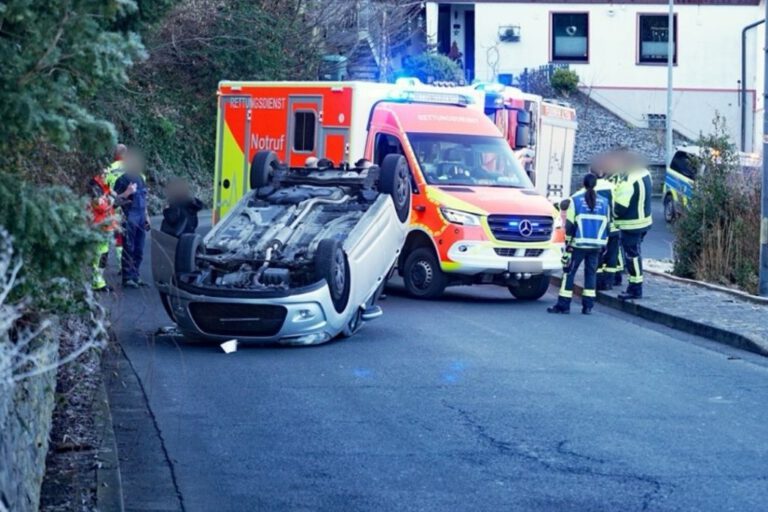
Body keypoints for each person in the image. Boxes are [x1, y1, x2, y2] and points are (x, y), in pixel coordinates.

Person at [548, 173, 611, 315]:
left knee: (569, 273)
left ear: (583, 183)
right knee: (591, 274)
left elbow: (569, 225)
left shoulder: (575, 201)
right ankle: (588, 306)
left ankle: (563, 305)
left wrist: (568, 244)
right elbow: (608, 224)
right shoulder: (605, 202)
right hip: (596, 245)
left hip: (578, 244)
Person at [613, 151, 653, 300]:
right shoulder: (645, 173)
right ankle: (635, 285)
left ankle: (635, 288)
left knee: (632, 257)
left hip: (630, 224)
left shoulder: (627, 181)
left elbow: (620, 208)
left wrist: (612, 213)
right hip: (645, 222)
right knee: (636, 253)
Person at [113, 151, 150, 288]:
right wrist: (126, 193)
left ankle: (136, 275)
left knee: (139, 248)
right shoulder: (121, 180)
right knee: (129, 248)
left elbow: (144, 199)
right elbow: (114, 202)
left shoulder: (140, 179)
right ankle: (127, 277)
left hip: (140, 216)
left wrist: (147, 217)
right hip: (129, 216)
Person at [87, 168, 119, 292]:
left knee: (103, 255)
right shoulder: (94, 188)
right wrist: (111, 200)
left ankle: (99, 280)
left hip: (105, 226)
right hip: (99, 226)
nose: (109, 176)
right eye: (106, 174)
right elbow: (100, 206)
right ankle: (97, 282)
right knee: (98, 255)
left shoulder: (103, 187)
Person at [106, 144, 128, 263]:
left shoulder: (109, 168)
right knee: (128, 237)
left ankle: (120, 263)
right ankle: (127, 266)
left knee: (116, 236)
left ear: (115, 154)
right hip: (130, 207)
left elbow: (103, 187)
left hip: (113, 206)